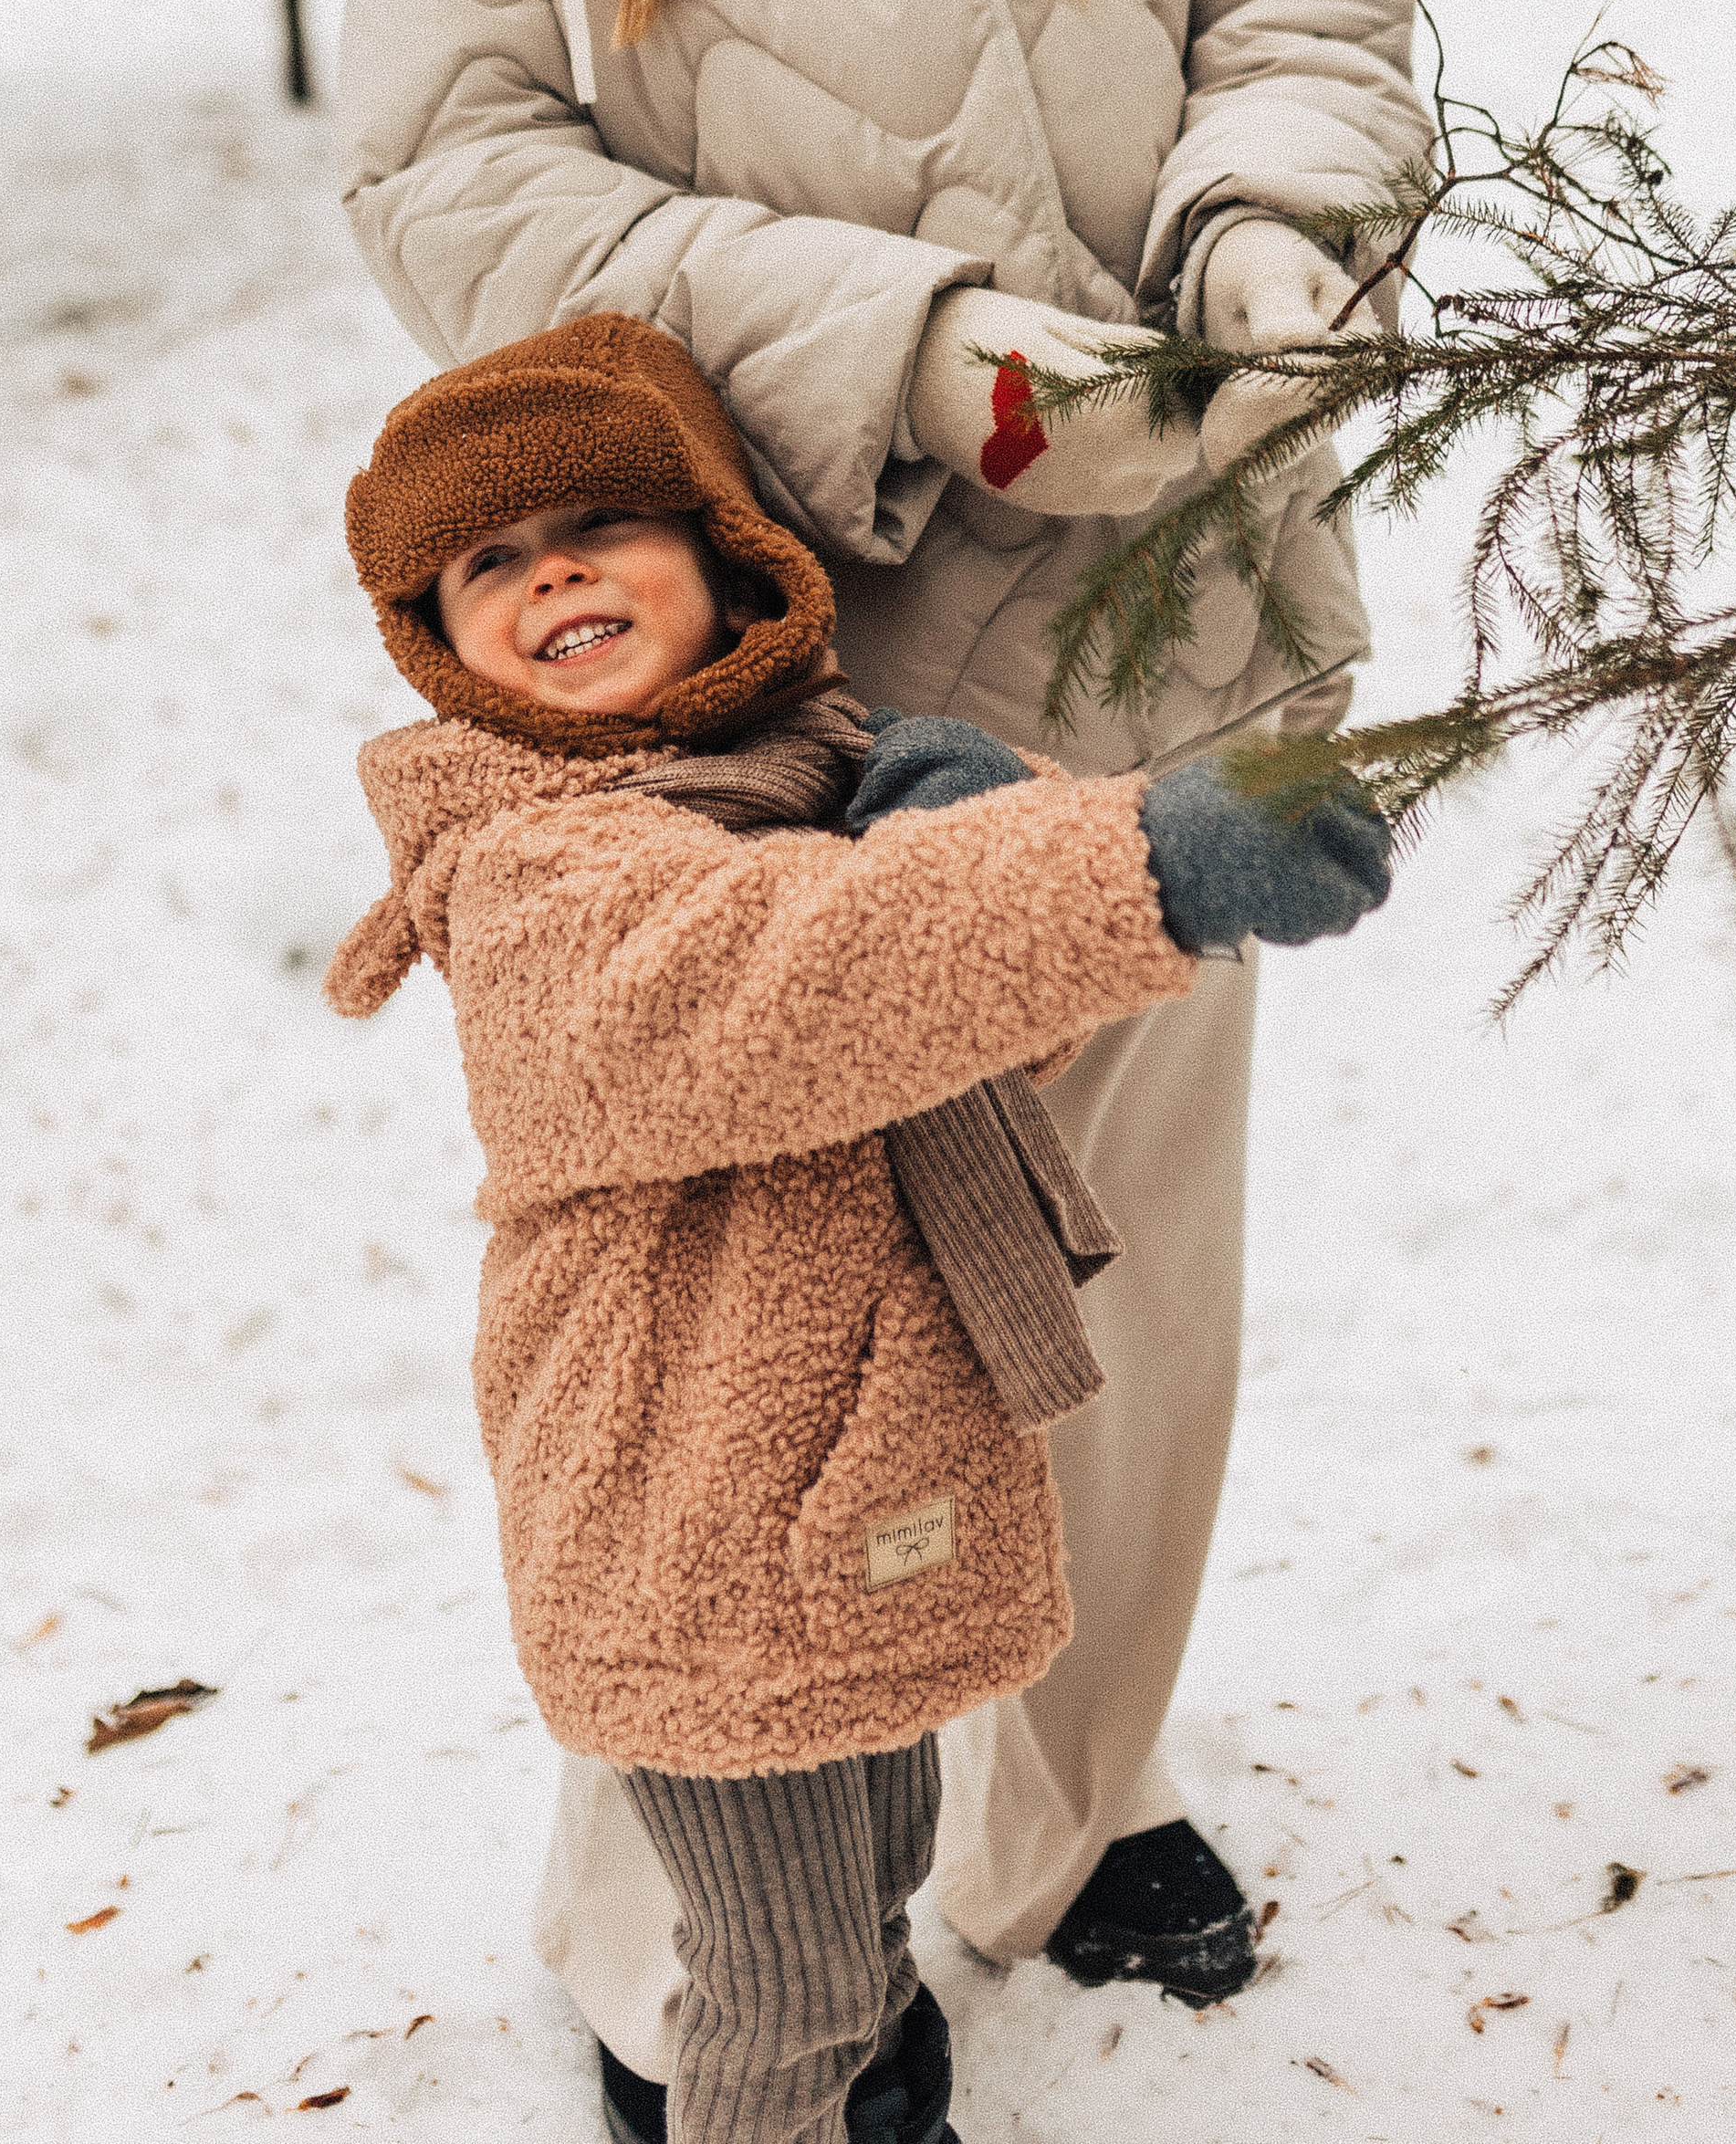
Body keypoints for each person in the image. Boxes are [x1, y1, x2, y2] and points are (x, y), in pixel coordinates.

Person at [334, 0, 1435, 2128]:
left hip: (1177, 585)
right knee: (768, 1341)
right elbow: (456, 182)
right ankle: (700, 1959)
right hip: (789, 686)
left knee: (1143, 1266)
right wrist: (911, 350)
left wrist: (1257, 244)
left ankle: (1071, 1801)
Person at [326, 316, 1395, 2144]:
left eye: (602, 522)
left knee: (867, 1884)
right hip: (693, 1535)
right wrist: (1127, 865)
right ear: (439, 645)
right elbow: (791, 982)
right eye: (487, 562)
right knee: (788, 1980)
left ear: (735, 558)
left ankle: (878, 2109)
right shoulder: (536, 876)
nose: (554, 570)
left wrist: (952, 817)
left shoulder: (807, 761)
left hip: (835, 1492)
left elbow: (952, 1037)